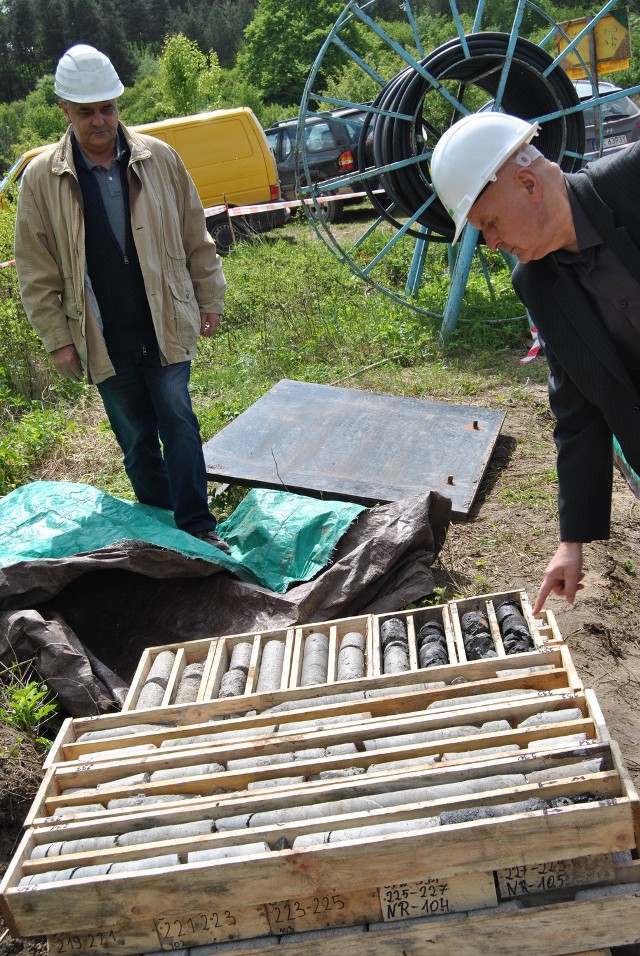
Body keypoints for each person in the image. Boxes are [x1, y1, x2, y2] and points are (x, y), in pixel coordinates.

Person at [14, 44, 231, 555]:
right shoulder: (42, 179)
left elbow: (194, 233)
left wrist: (210, 296)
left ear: (117, 105)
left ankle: (197, 526)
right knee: (136, 440)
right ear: (64, 110)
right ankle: (160, 531)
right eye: (85, 111)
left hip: (165, 320)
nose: (99, 121)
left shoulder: (160, 158)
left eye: (106, 108)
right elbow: (35, 267)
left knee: (178, 418)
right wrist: (57, 339)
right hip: (101, 335)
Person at [430, 111, 640, 613]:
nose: (493, 242)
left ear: (528, 184)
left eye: (490, 223)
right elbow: (577, 407)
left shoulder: (634, 182)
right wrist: (573, 540)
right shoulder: (538, 284)